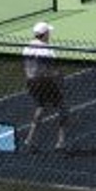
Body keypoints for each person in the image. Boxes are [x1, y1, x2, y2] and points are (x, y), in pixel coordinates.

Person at [22, 21, 68, 151]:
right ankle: (61, 142)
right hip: (45, 82)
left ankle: (29, 139)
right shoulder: (47, 50)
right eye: (49, 32)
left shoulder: (26, 47)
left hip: (31, 81)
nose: (50, 35)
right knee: (63, 108)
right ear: (45, 34)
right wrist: (60, 81)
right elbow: (52, 70)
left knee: (41, 107)